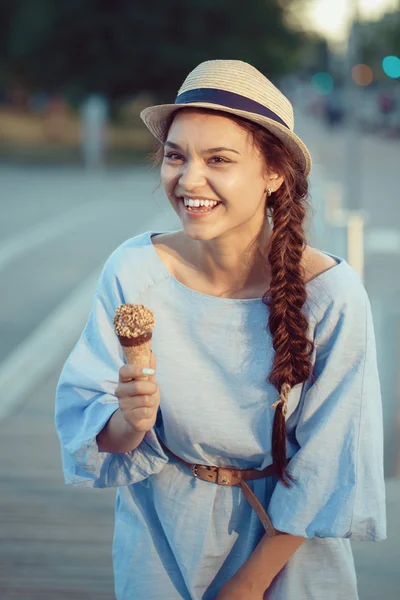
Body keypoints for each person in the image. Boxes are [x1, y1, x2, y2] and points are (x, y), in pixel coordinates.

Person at [55, 59, 386, 600]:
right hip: (160, 540)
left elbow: (330, 462)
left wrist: (249, 585)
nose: (189, 180)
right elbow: (95, 428)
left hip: (286, 552)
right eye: (175, 156)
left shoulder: (331, 296)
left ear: (273, 174)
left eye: (219, 160)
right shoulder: (133, 269)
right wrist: (129, 419)